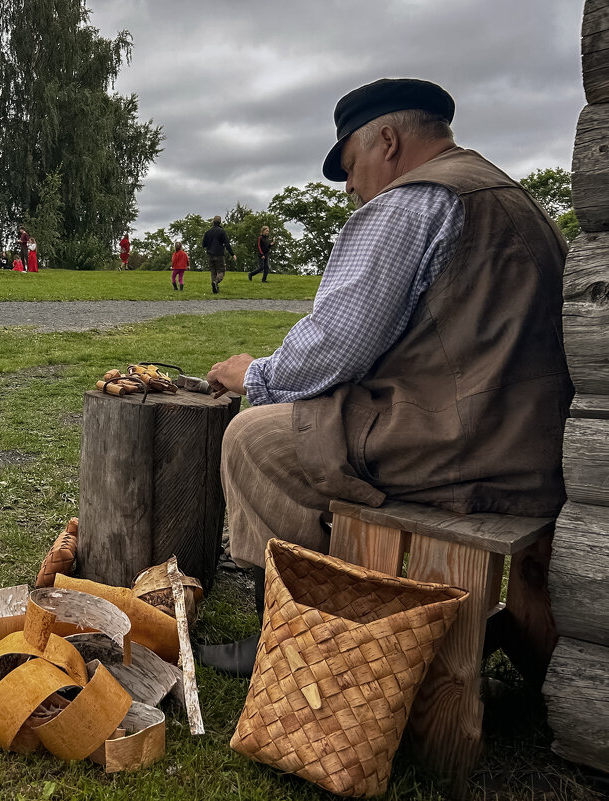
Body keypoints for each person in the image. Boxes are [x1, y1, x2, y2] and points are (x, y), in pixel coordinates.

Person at [196, 77, 573, 677]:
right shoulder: (514, 198)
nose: (350, 186)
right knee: (310, 420)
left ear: (388, 142)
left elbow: (335, 345)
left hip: (465, 449)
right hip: (536, 449)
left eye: (350, 165)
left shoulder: (410, 203)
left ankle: (302, 640)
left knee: (254, 438)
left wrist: (256, 375)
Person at [200, 215, 236, 294]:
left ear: (213, 221)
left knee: (213, 271)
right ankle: (215, 283)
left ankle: (215, 288)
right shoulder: (221, 231)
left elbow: (203, 245)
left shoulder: (208, 232)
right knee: (221, 271)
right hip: (219, 254)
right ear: (220, 222)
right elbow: (227, 244)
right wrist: (232, 254)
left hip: (210, 254)